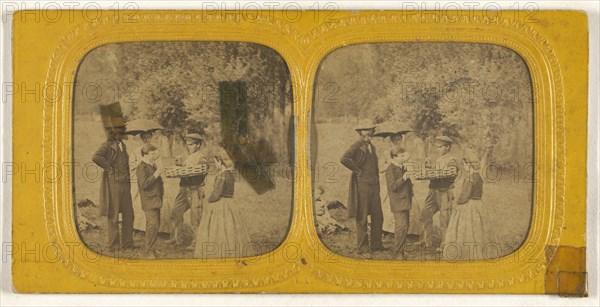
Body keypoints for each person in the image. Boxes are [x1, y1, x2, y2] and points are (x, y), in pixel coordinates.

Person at [443, 147, 499, 261]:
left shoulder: (470, 178)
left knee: (466, 229)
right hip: (479, 204)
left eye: (465, 163)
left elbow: (465, 196)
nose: (464, 166)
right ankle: (481, 251)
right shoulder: (479, 177)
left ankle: (466, 253)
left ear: (469, 164)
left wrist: (457, 203)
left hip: (469, 205)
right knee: (479, 229)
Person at [194, 152, 252, 259]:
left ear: (220, 162)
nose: (215, 165)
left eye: (216, 162)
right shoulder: (229, 174)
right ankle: (232, 249)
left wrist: (209, 200)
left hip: (222, 202)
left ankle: (219, 251)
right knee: (230, 227)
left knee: (218, 227)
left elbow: (216, 193)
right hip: (230, 202)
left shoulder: (222, 175)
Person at [340, 121, 384, 257]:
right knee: (362, 216)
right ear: (360, 132)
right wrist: (358, 171)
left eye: (370, 130)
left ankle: (376, 245)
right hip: (362, 186)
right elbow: (344, 158)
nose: (368, 133)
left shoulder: (372, 146)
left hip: (373, 186)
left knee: (378, 215)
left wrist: (377, 181)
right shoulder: (357, 145)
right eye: (365, 130)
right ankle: (363, 249)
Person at [92, 116, 135, 253]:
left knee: (129, 214)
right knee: (114, 215)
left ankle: (128, 243)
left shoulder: (123, 145)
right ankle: (114, 246)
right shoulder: (107, 144)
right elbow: (96, 157)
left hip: (125, 184)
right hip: (114, 184)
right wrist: (109, 169)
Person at [165, 132, 208, 250]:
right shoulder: (189, 156)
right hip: (183, 189)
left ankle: (196, 243)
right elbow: (184, 170)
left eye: (192, 144)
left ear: (198, 145)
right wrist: (179, 167)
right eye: (188, 144)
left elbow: (201, 176)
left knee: (196, 217)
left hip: (194, 190)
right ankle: (177, 238)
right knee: (175, 213)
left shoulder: (201, 158)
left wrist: (186, 173)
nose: (189, 147)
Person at [420, 136, 459, 250]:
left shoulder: (452, 161)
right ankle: (427, 241)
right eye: (436, 147)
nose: (438, 149)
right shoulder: (439, 159)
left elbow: (451, 175)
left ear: (447, 147)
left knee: (444, 219)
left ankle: (445, 244)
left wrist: (435, 174)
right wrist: (429, 167)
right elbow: (435, 173)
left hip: (444, 192)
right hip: (433, 191)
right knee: (425, 214)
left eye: (440, 147)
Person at [384, 145, 414, 260]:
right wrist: (404, 177)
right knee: (401, 227)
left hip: (405, 201)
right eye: (402, 156)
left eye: (404, 155)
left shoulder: (402, 167)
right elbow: (393, 187)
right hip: (398, 203)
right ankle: (398, 254)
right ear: (394, 157)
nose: (404, 157)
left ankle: (401, 250)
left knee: (404, 227)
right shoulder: (390, 169)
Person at [136, 144, 164, 259]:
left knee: (154, 225)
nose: (155, 155)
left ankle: (152, 249)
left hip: (155, 200)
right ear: (145, 155)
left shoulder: (151, 165)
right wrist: (156, 174)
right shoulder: (141, 167)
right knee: (152, 225)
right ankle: (149, 252)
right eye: (152, 153)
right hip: (149, 201)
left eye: (155, 153)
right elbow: (144, 184)